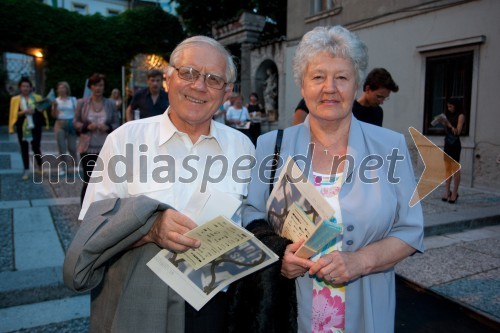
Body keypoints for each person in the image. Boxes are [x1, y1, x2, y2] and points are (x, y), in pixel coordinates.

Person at [229, 26, 424, 332]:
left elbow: (410, 230)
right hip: (290, 311)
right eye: (318, 77)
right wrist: (280, 255)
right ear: (302, 86)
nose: (329, 88)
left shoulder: (390, 147)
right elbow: (250, 215)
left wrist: (361, 261)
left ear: (356, 84)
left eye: (342, 77)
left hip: (365, 311)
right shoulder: (271, 147)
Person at [63, 36, 255, 332]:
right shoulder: (125, 140)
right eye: (188, 73)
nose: (199, 86)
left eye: (214, 79)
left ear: (227, 91)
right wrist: (149, 229)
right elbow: (92, 232)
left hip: (217, 311)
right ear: (168, 79)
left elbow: (251, 221)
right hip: (138, 306)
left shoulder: (243, 148)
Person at [73, 73, 119, 204]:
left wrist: (108, 126)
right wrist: (87, 126)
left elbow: (117, 123)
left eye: (100, 85)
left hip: (106, 146)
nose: (98, 88)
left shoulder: (110, 104)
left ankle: (101, 209)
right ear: (90, 87)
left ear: (104, 87)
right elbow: (75, 122)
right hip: (87, 147)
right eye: (95, 85)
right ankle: (85, 209)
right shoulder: (82, 103)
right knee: (89, 179)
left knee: (105, 180)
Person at [8, 77, 44, 180]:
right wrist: (24, 112)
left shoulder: (37, 97)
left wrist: (35, 111)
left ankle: (40, 165)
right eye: (23, 86)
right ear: (20, 88)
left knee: (36, 146)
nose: (25, 88)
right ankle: (26, 170)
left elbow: (41, 110)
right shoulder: (15, 100)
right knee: (24, 148)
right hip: (22, 127)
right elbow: (13, 114)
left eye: (27, 86)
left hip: (35, 126)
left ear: (31, 88)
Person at [51, 81, 78, 176]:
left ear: (67, 89)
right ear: (57, 90)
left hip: (70, 124)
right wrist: (54, 107)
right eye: (60, 88)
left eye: (64, 88)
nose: (62, 89)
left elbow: (77, 112)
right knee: (61, 147)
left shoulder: (73, 100)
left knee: (72, 147)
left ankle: (75, 165)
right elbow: (54, 115)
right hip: (60, 124)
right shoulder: (56, 101)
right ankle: (63, 167)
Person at [441, 97, 465, 203]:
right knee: (447, 168)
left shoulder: (461, 116)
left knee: (455, 169)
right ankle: (447, 191)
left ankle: (454, 192)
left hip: (455, 143)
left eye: (450, 106)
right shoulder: (448, 116)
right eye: (447, 106)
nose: (448, 108)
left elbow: (457, 132)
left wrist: (449, 125)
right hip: (447, 143)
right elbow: (448, 131)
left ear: (455, 106)